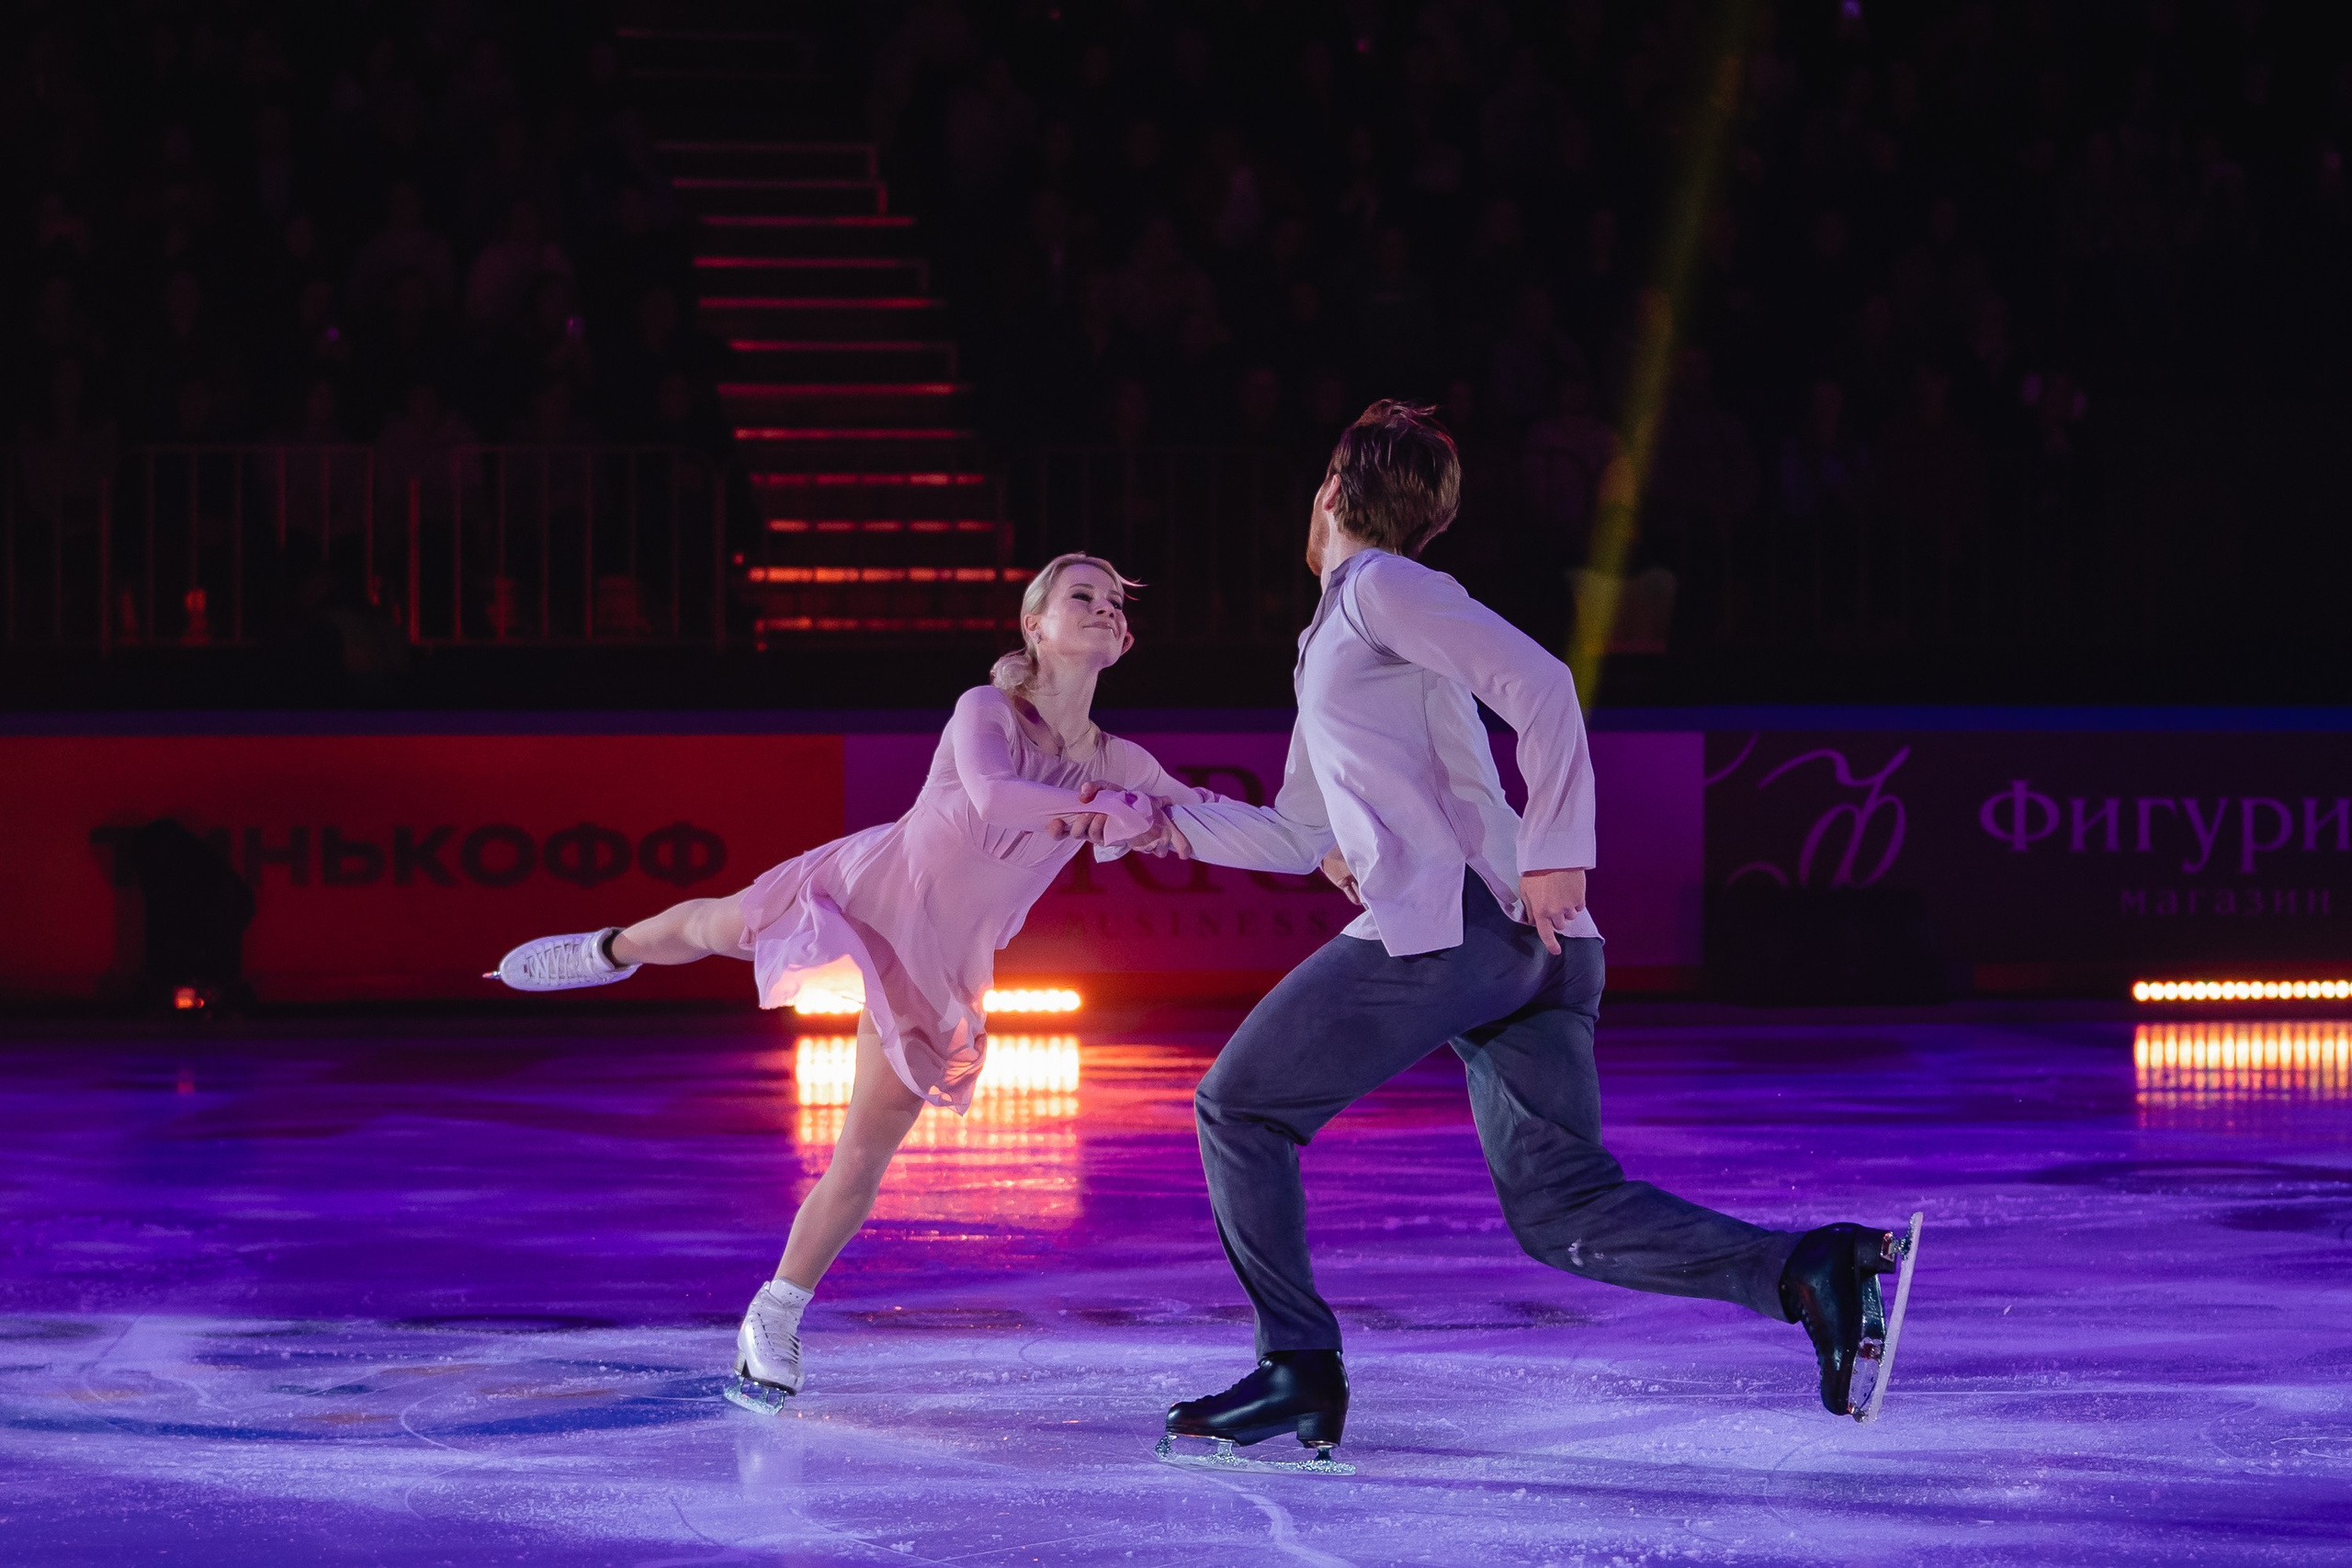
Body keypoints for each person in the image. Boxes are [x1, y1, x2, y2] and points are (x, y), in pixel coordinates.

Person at [1096, 401, 1915, 1465]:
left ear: (1333, 491)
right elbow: (1301, 833)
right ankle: (1806, 1269)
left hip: (1467, 927)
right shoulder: (1342, 630)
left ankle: (1296, 1364)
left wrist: (1556, 845)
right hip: (1530, 947)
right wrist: (1164, 821)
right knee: (1560, 1209)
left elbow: (1544, 683)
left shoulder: (1380, 586)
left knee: (1239, 1106)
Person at [488, 554, 1202, 1409]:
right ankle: (609, 948)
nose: (1104, 607)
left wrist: (1320, 846)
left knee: (864, 1154)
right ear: (1035, 626)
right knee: (722, 925)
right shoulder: (987, 710)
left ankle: (772, 1314)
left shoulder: (1122, 761)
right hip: (868, 890)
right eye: (1081, 594)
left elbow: (1200, 812)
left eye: (1116, 601)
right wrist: (1106, 809)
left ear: (1125, 639)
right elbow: (991, 793)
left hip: (939, 963)